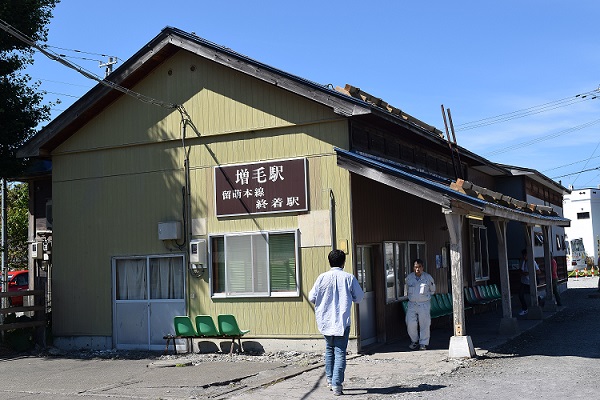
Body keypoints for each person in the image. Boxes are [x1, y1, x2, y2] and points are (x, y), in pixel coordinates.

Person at [308, 249, 364, 396]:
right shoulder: (348, 278)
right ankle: (337, 385)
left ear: (329, 261)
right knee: (339, 352)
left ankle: (330, 380)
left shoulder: (322, 277)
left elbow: (311, 297)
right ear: (343, 262)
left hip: (325, 321)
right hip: (341, 321)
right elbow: (359, 297)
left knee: (329, 351)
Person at [405, 258, 436, 350]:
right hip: (412, 304)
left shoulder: (428, 277)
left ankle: (423, 343)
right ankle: (414, 341)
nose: (417, 269)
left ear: (422, 267)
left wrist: (424, 298)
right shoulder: (409, 278)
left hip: (424, 304)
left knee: (425, 323)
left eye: (419, 267)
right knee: (410, 323)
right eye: (415, 267)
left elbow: (432, 290)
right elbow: (406, 290)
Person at [518, 249, 540, 315]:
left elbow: (538, 271)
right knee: (520, 294)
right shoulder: (523, 262)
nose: (524, 257)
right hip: (524, 281)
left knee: (533, 294)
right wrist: (522, 273)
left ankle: (540, 302)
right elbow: (520, 270)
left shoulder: (533, 262)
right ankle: (525, 309)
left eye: (525, 255)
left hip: (530, 282)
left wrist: (529, 273)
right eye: (523, 255)